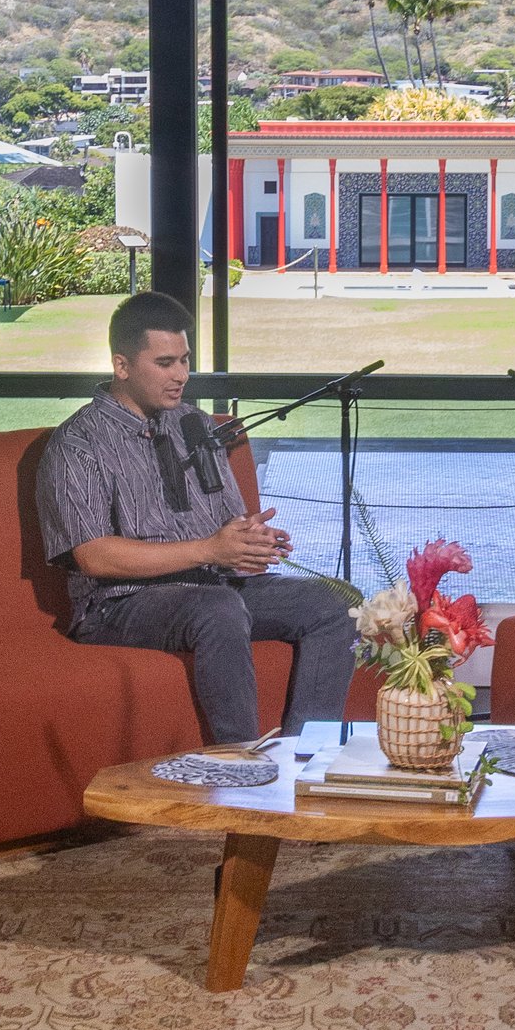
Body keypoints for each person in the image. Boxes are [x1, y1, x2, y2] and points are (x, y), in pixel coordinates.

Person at [35, 291, 356, 743]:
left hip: (212, 586)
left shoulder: (196, 426)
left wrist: (245, 544)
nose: (181, 376)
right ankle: (241, 767)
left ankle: (306, 756)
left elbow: (223, 529)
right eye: (165, 363)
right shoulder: (78, 443)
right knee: (218, 608)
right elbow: (93, 556)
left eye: (185, 361)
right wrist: (210, 549)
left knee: (334, 604)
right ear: (122, 365)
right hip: (120, 605)